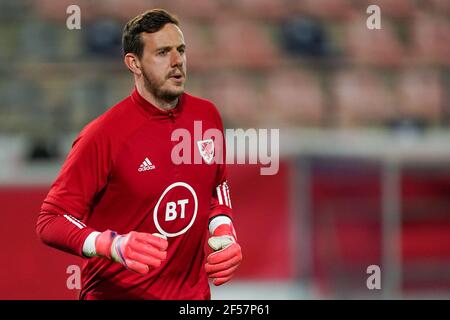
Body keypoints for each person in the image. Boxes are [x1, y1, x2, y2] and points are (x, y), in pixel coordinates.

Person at [36, 8, 242, 300]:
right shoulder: (103, 135)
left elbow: (216, 187)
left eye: (180, 50)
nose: (177, 62)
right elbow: (51, 219)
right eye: (162, 53)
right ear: (134, 63)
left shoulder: (206, 116)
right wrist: (111, 245)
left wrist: (224, 231)